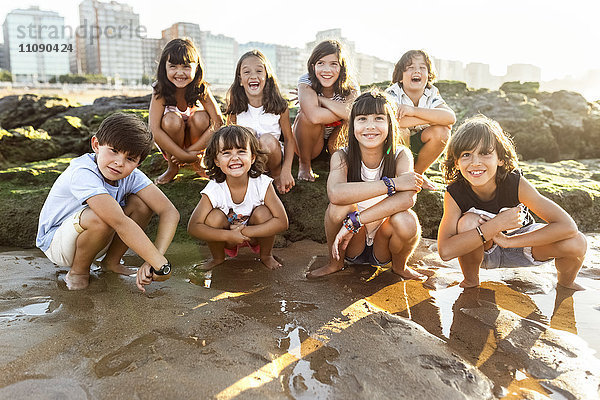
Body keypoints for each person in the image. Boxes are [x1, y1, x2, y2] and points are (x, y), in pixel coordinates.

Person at [437, 115, 587, 290]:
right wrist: (497, 224)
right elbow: (445, 251)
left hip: (524, 245)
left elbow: (568, 226)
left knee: (578, 242)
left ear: (500, 159)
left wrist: (509, 241)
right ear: (456, 162)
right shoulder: (455, 192)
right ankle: (471, 280)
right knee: (468, 222)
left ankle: (566, 282)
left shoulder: (515, 183)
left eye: (485, 153)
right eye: (466, 155)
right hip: (484, 250)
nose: (475, 162)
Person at [36, 113, 180, 292]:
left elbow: (169, 211)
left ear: (138, 163)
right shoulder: (83, 172)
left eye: (130, 159)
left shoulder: (131, 176)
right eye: (114, 151)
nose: (119, 163)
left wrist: (155, 258)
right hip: (57, 244)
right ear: (96, 145)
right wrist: (160, 264)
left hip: (95, 238)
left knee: (141, 205)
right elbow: (118, 221)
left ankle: (111, 262)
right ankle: (78, 272)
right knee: (102, 216)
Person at [306, 90, 425, 279]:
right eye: (362, 119)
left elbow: (408, 198)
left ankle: (400, 266)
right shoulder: (342, 155)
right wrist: (393, 183)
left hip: (382, 243)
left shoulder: (401, 154)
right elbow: (335, 193)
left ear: (390, 124)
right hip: (352, 241)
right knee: (338, 207)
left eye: (378, 118)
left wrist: (357, 220)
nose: (370, 126)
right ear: (352, 125)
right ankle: (335, 262)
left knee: (406, 220)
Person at [187, 125, 289, 270]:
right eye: (227, 153)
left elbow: (282, 222)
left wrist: (246, 232)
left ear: (252, 157)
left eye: (241, 151)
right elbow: (194, 227)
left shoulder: (262, 183)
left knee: (263, 212)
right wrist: (228, 236)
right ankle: (218, 258)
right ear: (216, 160)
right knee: (213, 217)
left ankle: (266, 255)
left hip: (255, 235)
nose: (235, 158)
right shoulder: (215, 188)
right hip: (227, 238)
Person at [149, 38, 223, 184]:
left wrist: (190, 154)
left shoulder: (200, 88)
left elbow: (218, 121)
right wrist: (180, 155)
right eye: (173, 66)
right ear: (164, 67)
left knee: (201, 117)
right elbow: (154, 130)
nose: (180, 72)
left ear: (196, 68)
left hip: (196, 143)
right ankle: (172, 168)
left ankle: (197, 164)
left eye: (186, 67)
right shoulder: (160, 90)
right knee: (171, 120)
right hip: (171, 141)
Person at [226, 50, 295, 194]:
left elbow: (289, 139)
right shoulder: (235, 108)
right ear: (240, 79)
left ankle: (274, 175)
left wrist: (285, 171)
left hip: (273, 158)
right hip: (246, 161)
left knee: (267, 140)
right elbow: (228, 141)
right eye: (247, 72)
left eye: (259, 71)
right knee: (245, 135)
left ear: (266, 76)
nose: (253, 76)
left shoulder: (279, 106)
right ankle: (248, 178)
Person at [385, 50, 456, 189]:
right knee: (401, 131)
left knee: (441, 131)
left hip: (418, 146)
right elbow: (396, 122)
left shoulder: (431, 92)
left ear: (428, 75)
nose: (417, 71)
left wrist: (413, 111)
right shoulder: (393, 93)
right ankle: (402, 174)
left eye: (422, 68)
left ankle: (417, 174)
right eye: (410, 68)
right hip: (391, 150)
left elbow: (449, 118)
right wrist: (432, 118)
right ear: (400, 76)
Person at [293, 40, 359, 182]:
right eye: (321, 63)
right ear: (313, 66)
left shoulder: (350, 84)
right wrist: (344, 110)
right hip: (310, 143)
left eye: (333, 64)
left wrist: (319, 100)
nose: (327, 70)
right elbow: (315, 116)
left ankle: (340, 163)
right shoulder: (306, 81)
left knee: (351, 121)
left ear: (341, 68)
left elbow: (354, 114)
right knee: (305, 116)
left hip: (336, 140)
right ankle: (304, 165)